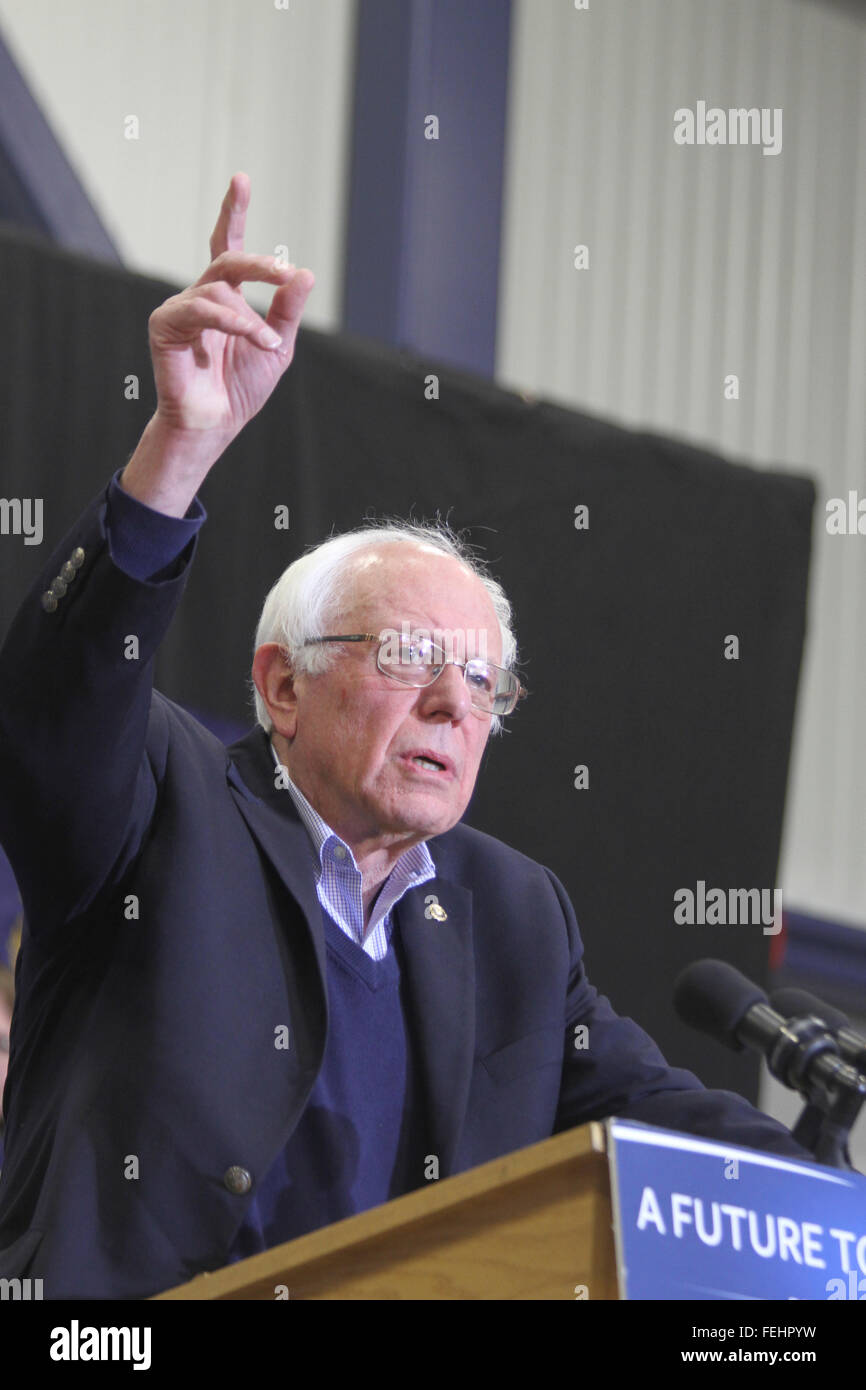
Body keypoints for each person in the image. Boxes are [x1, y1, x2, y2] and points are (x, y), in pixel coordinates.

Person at [0, 175, 809, 1300]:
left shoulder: (513, 917)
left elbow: (667, 1119)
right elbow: (56, 701)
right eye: (406, 660)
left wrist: (835, 1205)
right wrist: (178, 449)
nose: (452, 704)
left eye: (481, 680)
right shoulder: (160, 803)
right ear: (280, 687)